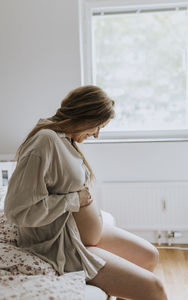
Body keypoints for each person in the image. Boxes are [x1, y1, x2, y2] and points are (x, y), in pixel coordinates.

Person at [4, 85, 168, 300]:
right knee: (153, 288)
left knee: (149, 256)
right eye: (97, 127)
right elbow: (17, 210)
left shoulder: (64, 138)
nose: (97, 135)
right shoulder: (45, 141)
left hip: (81, 232)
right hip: (62, 241)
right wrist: (74, 200)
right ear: (85, 116)